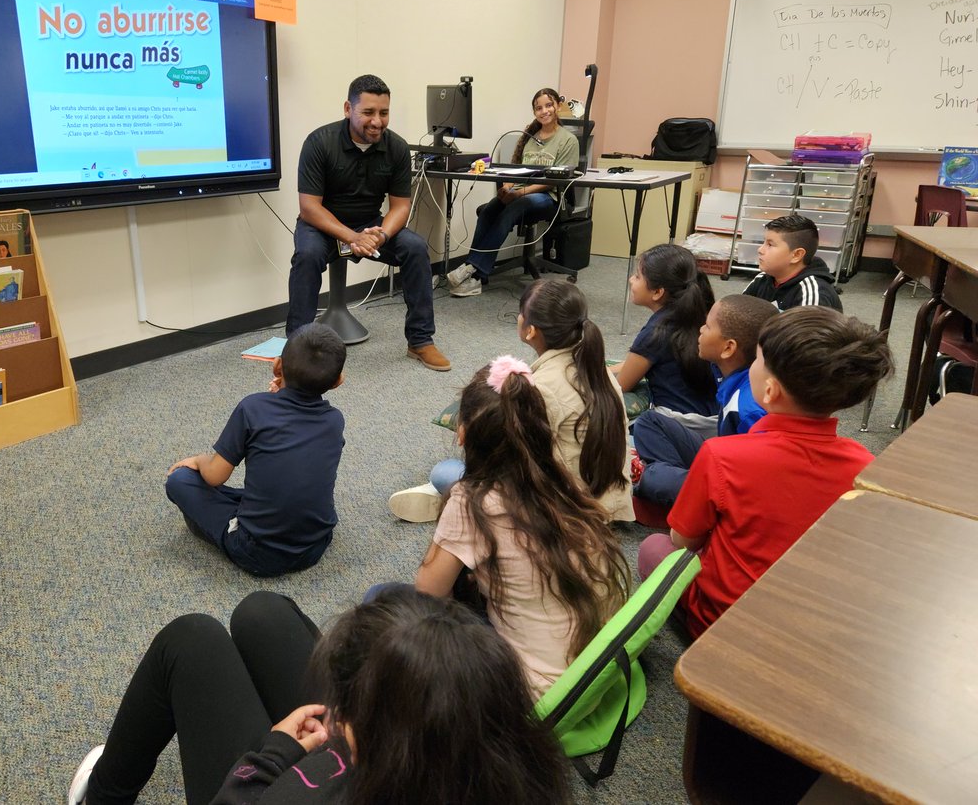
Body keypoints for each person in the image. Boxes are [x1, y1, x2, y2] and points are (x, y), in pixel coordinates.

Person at [67, 587, 571, 805]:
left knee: (191, 638)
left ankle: (105, 797)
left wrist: (274, 755)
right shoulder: (521, 771)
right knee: (262, 612)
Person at [636, 307, 893, 638]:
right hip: (810, 623)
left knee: (654, 548)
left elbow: (682, 541)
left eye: (756, 360)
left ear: (770, 390)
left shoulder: (722, 455)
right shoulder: (865, 466)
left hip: (723, 621)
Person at [414, 357, 631, 698]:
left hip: (533, 691)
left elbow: (427, 594)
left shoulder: (471, 500)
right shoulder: (559, 479)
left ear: (463, 434)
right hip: (591, 676)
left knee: (385, 599)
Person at [388, 280, 632, 524]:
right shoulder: (596, 366)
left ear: (531, 331)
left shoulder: (542, 387)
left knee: (444, 472)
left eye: (521, 314)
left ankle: (457, 501)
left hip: (569, 512)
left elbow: (521, 463)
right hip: (609, 497)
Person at [286, 74, 449, 371]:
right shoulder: (319, 142)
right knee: (306, 256)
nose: (377, 121)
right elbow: (309, 208)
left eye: (384, 113)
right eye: (368, 112)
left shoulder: (397, 147)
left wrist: (381, 236)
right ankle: (296, 351)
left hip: (371, 226)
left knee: (414, 247)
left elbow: (400, 206)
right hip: (322, 226)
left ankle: (420, 341)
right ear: (348, 109)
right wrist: (352, 237)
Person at [165, 325, 347, 577]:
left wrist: (198, 459)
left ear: (276, 367)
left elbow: (215, 476)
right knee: (281, 485)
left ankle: (221, 530)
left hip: (256, 552)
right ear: (338, 381)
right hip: (316, 544)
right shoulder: (335, 420)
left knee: (179, 480)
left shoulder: (253, 408)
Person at [632, 294, 776, 518]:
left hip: (732, 485)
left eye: (708, 326)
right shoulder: (726, 370)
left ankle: (672, 493)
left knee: (652, 478)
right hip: (721, 459)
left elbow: (756, 481)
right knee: (649, 422)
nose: (700, 330)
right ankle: (672, 487)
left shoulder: (748, 408)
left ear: (728, 348)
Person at [446, 88, 580, 297]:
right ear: (534, 111)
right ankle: (473, 274)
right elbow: (515, 170)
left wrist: (519, 194)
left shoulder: (568, 140)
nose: (544, 111)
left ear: (558, 106)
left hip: (549, 197)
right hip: (521, 192)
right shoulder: (530, 138)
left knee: (515, 207)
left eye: (548, 105)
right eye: (539, 108)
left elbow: (554, 181)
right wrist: (507, 187)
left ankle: (473, 269)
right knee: (490, 209)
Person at [612, 244, 718, 425]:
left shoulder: (655, 333)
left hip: (678, 423)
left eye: (637, 276)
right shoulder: (696, 313)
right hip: (713, 417)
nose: (631, 280)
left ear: (657, 292)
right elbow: (637, 362)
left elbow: (622, 385)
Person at [743, 214, 843, 311]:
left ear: (796, 255)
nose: (760, 250)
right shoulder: (762, 279)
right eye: (763, 242)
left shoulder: (813, 294)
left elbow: (807, 328)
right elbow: (738, 314)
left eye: (770, 244)